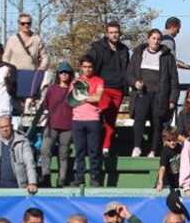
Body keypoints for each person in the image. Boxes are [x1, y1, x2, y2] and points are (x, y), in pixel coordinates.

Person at [126, 29, 179, 157]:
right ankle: (137, 147)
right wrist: (135, 82)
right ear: (148, 39)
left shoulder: (167, 57)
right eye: (153, 38)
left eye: (158, 39)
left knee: (157, 123)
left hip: (160, 96)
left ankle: (153, 150)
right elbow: (129, 74)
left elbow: (174, 79)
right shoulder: (138, 54)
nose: (156, 41)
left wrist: (172, 99)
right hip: (142, 94)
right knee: (139, 120)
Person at [89, 21, 130, 155]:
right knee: (100, 113)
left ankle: (105, 147)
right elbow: (88, 61)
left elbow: (127, 69)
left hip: (118, 89)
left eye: (116, 32)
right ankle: (93, 143)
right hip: (103, 87)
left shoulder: (124, 50)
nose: (114, 35)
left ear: (120, 33)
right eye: (111, 32)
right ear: (107, 34)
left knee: (111, 120)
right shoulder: (98, 48)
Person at [3, 13, 50, 116]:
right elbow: (5, 58)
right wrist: (8, 70)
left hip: (32, 77)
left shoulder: (37, 39)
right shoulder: (12, 40)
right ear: (19, 24)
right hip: (16, 78)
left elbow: (45, 57)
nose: (26, 26)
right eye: (23, 23)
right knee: (16, 107)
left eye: (28, 23)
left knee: (30, 109)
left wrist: (42, 68)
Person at [0, 115, 38, 193]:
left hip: (19, 187)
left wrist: (32, 183)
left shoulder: (22, 140)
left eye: (7, 126)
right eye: (2, 127)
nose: (5, 129)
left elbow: (29, 163)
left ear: (11, 126)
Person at [71, 55, 104, 187]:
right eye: (85, 67)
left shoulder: (98, 81)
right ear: (81, 68)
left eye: (90, 67)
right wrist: (90, 96)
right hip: (78, 120)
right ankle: (79, 176)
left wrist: (82, 97)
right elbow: (72, 100)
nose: (87, 69)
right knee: (79, 150)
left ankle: (94, 176)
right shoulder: (76, 81)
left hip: (93, 119)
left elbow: (98, 98)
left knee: (94, 150)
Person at [40, 62, 74, 187]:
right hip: (52, 125)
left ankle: (62, 179)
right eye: (61, 72)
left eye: (66, 72)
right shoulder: (52, 89)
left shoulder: (73, 90)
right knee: (45, 150)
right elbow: (47, 105)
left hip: (68, 126)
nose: (64, 74)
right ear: (58, 74)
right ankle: (46, 176)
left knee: (63, 154)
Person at [156, 128, 182, 192]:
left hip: (177, 179)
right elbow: (162, 167)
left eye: (174, 140)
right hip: (166, 181)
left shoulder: (180, 148)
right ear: (164, 140)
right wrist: (160, 181)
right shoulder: (165, 151)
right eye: (169, 141)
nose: (172, 143)